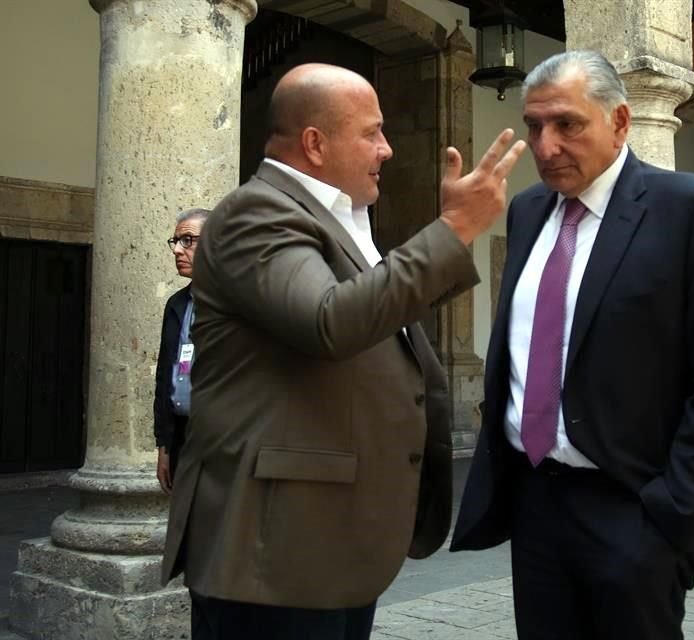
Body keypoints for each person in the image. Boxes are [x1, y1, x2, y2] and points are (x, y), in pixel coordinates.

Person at [161, 63, 525, 640]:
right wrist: (453, 229)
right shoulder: (254, 213)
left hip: (323, 545)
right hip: (273, 553)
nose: (386, 149)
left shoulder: (335, 218)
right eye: (372, 132)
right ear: (315, 142)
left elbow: (369, 313)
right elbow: (330, 320)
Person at [451, 50, 694, 639]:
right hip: (537, 503)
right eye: (536, 126)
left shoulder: (688, 209)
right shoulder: (527, 211)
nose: (546, 147)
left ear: (620, 122)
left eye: (568, 124)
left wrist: (669, 512)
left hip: (633, 508)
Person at [153, 207, 209, 494]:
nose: (177, 249)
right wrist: (164, 445)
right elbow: (165, 375)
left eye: (187, 240)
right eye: (175, 241)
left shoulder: (236, 302)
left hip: (218, 441)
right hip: (180, 436)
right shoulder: (176, 304)